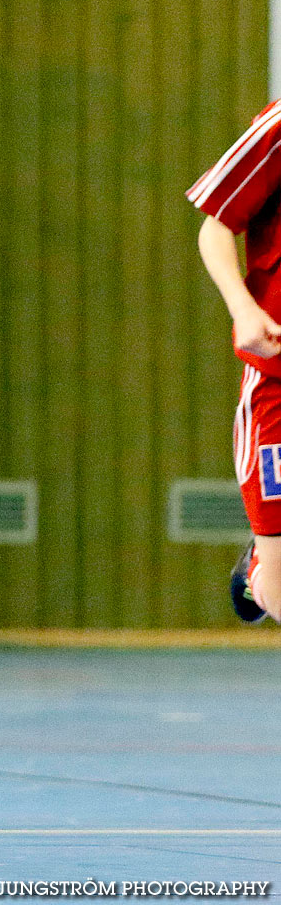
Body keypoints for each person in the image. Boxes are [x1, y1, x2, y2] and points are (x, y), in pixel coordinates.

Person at [189, 99, 281, 626]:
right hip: (276, 386)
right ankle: (258, 568)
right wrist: (244, 309)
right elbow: (215, 227)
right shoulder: (278, 129)